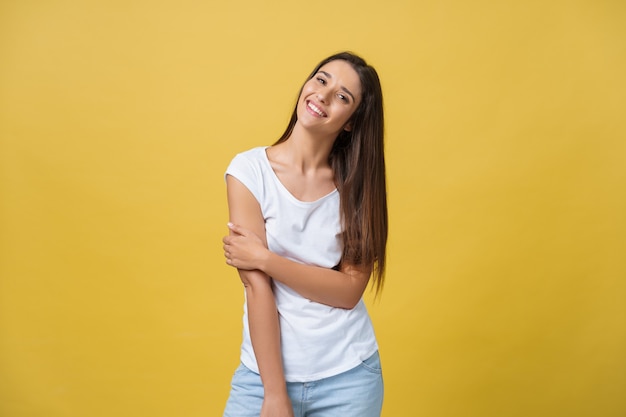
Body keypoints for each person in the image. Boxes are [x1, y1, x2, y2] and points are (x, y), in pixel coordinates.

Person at [221, 51, 388, 417]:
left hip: (348, 376)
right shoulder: (249, 171)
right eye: (321, 79)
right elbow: (256, 286)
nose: (323, 96)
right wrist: (275, 394)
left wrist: (266, 259)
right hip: (261, 378)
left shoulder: (356, 187)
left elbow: (348, 293)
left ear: (351, 122)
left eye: (343, 97)